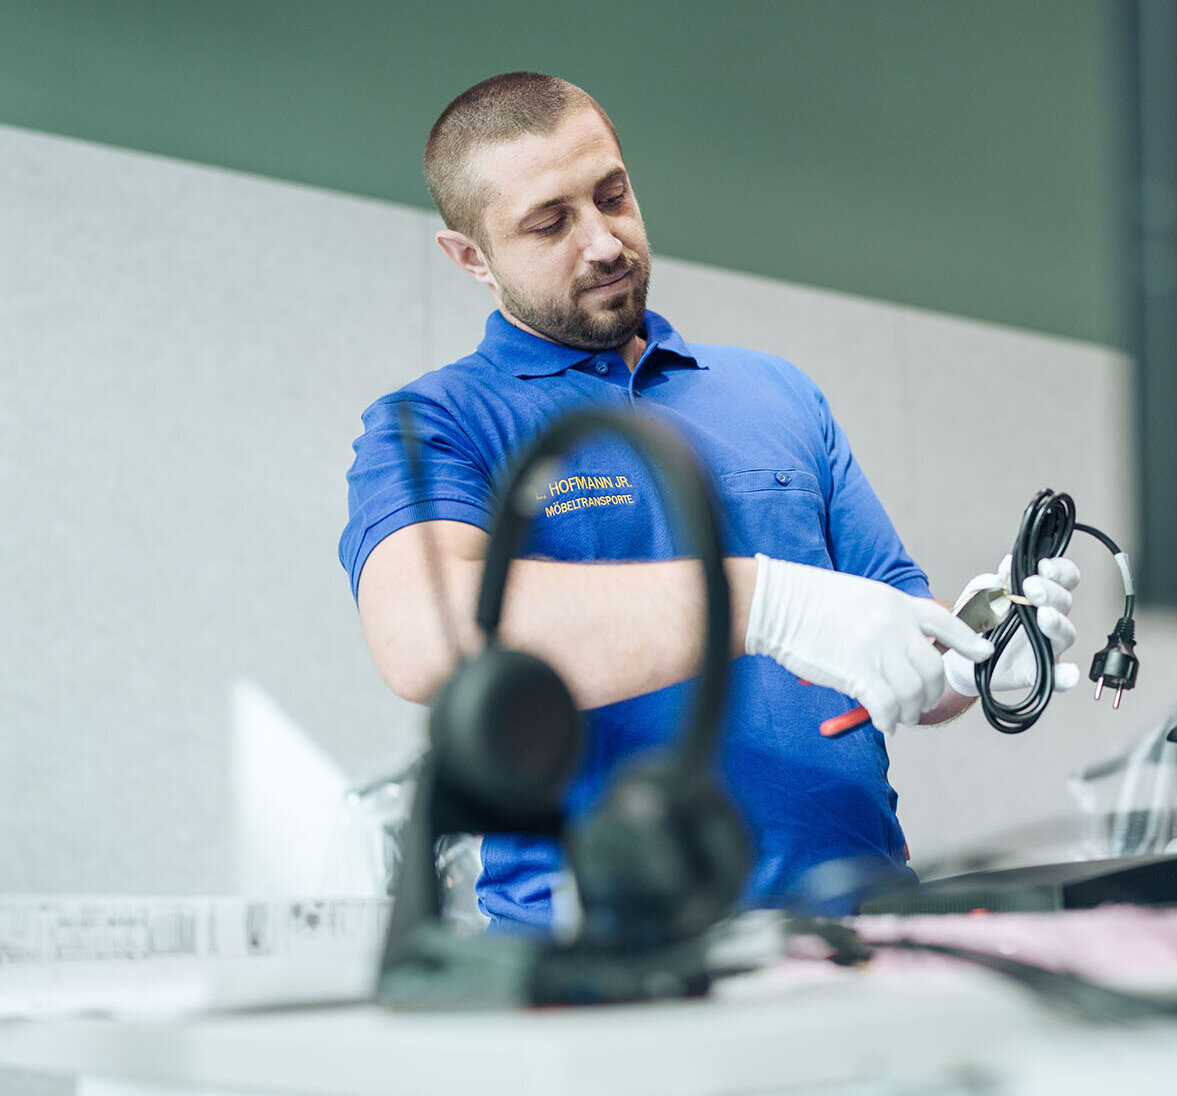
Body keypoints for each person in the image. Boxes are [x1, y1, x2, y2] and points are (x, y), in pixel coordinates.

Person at [339, 72, 1081, 929]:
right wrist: (765, 604)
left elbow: (894, 627)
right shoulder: (439, 421)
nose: (604, 242)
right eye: (550, 221)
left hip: (864, 930)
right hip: (604, 964)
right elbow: (426, 635)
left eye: (612, 195)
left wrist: (973, 649)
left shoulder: (778, 393)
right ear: (470, 257)